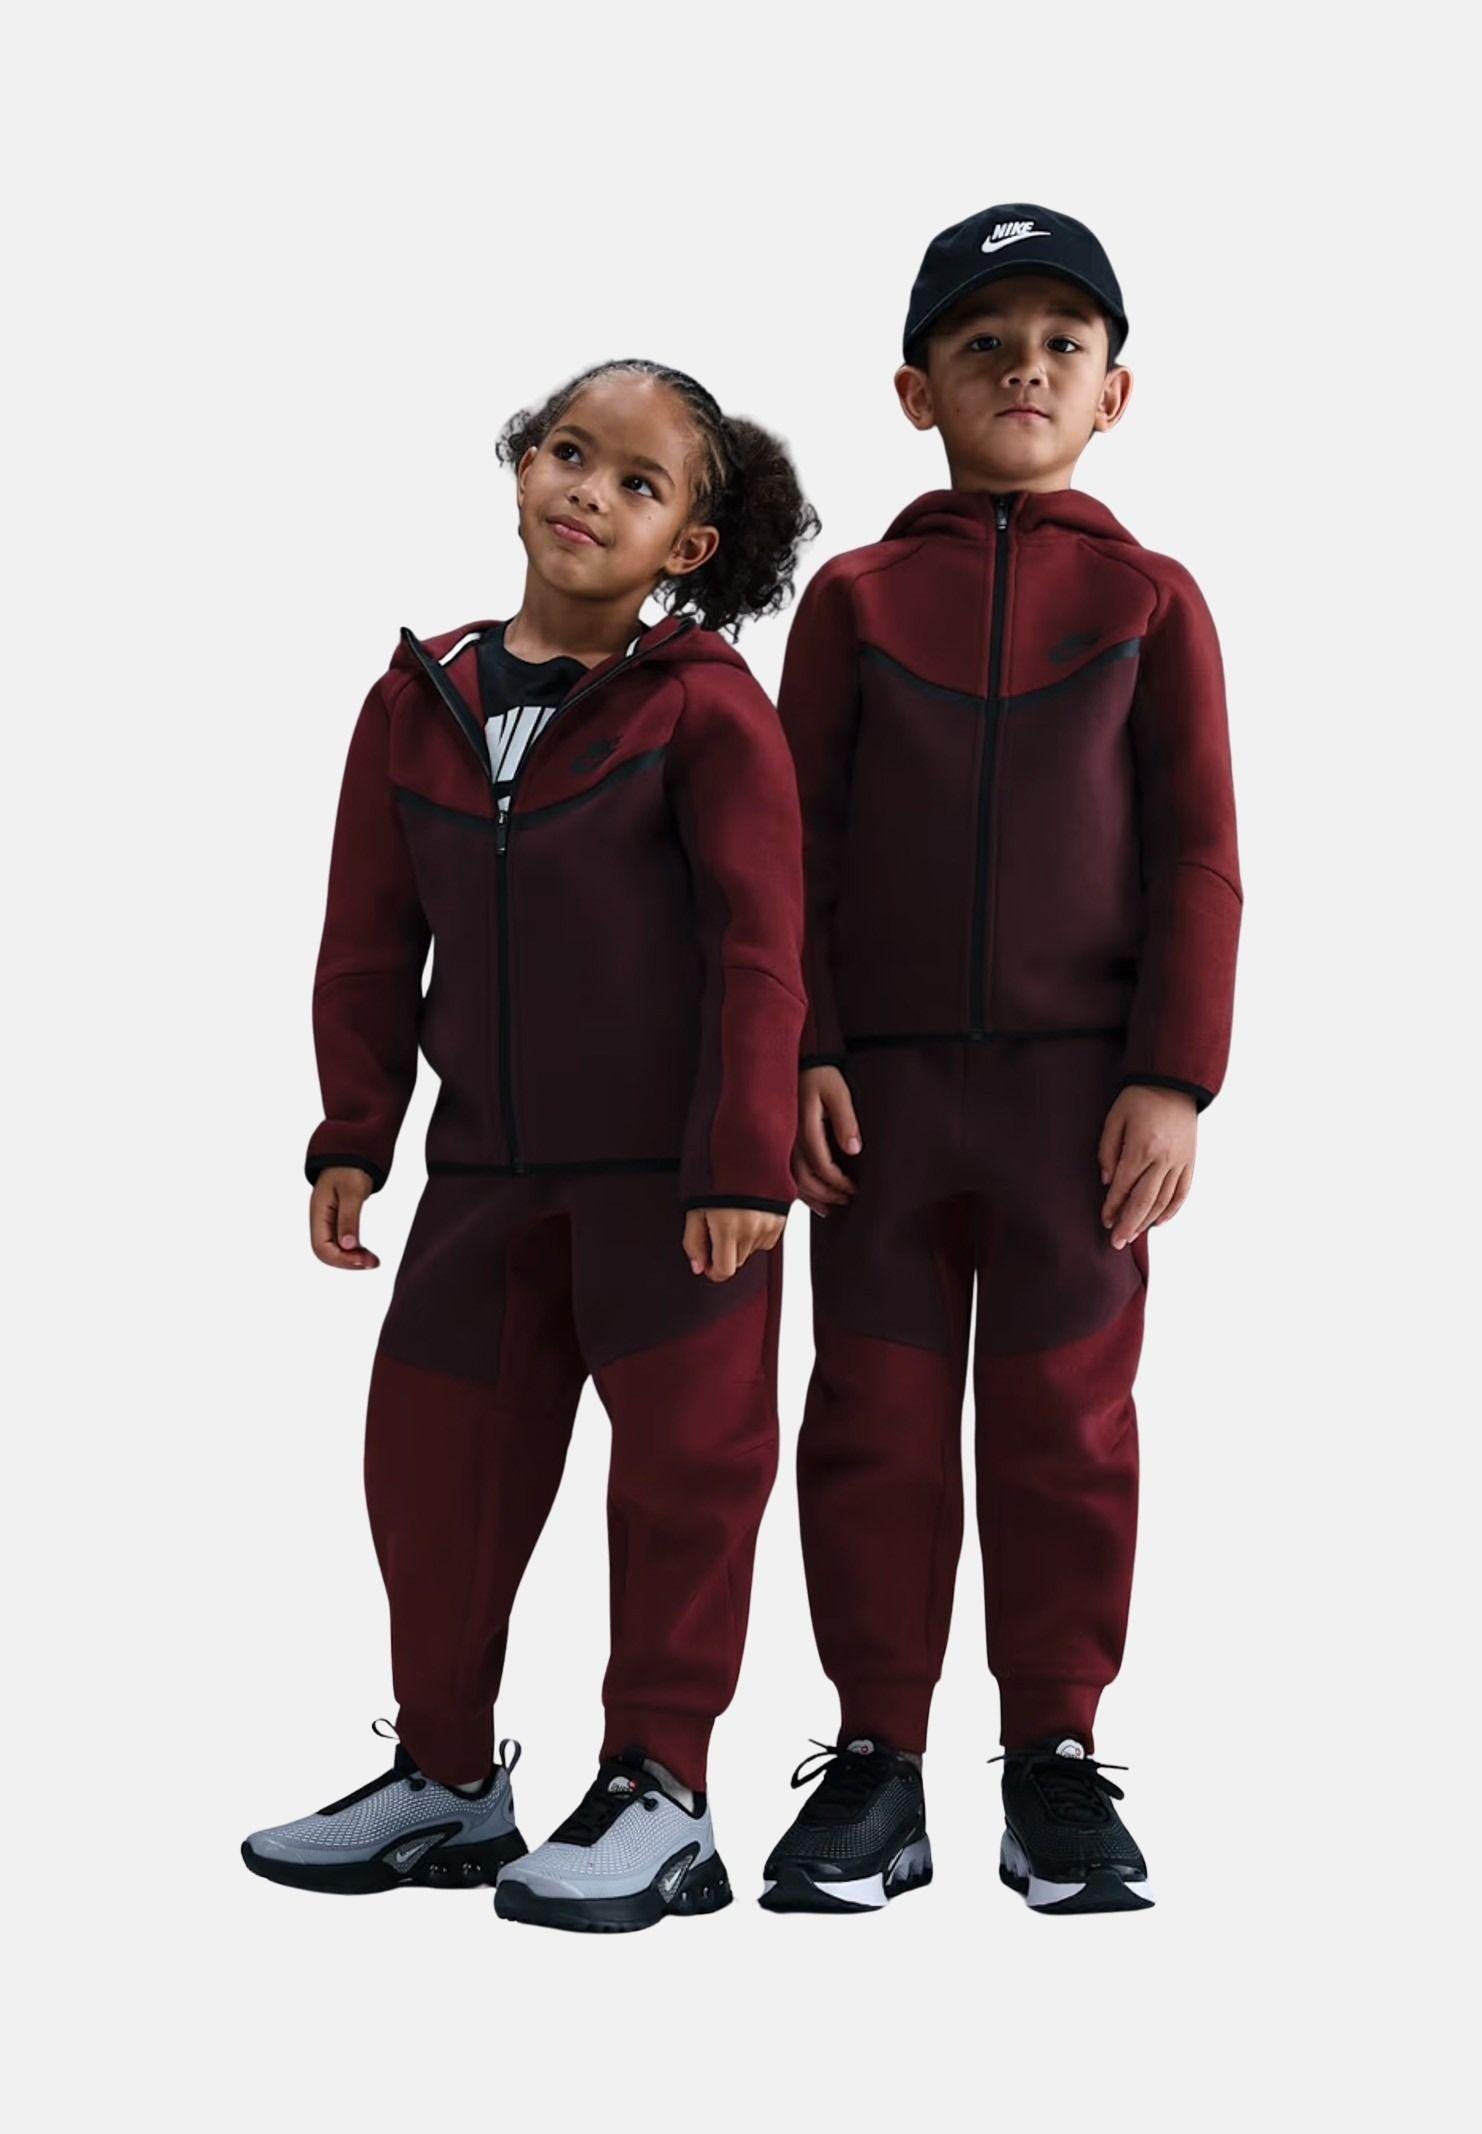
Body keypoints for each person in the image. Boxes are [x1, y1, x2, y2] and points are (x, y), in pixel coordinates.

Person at [242, 358, 817, 1933]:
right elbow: (367, 940)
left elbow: (761, 944)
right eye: (568, 451)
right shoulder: (416, 698)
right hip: (482, 1178)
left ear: (688, 546)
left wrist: (741, 1156)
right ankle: (444, 1779)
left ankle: (661, 1792)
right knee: (433, 1468)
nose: (587, 491)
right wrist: (354, 1132)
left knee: (685, 1480)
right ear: (519, 467)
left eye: (638, 483)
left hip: (673, 1187)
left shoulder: (705, 708)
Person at [760, 206, 1240, 1916]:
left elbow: (1197, 852)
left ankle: (1053, 1756)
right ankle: (873, 1759)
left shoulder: (1150, 600)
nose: (1022, 368)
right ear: (915, 391)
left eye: (1059, 343)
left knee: (1066, 1423)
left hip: (1076, 1105)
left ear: (1113, 391)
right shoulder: (854, 598)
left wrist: (1172, 1073)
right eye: (981, 344)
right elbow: (789, 848)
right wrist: (801, 1046)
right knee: (871, 1416)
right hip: (877, 1099)